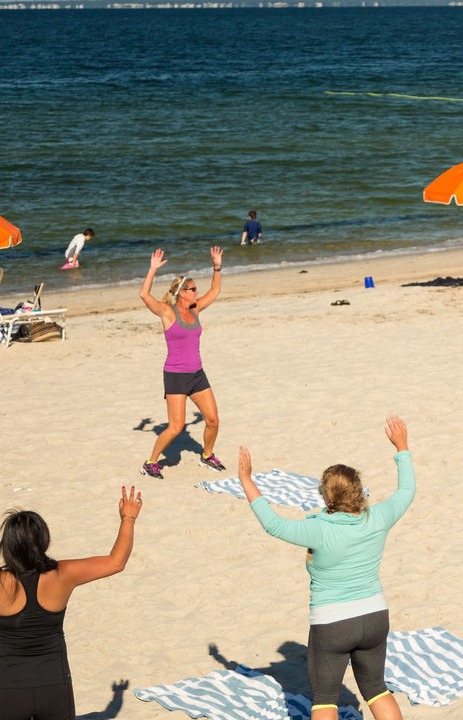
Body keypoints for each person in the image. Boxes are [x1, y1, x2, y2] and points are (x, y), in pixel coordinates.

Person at [238, 417, 413, 720]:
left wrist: (247, 481)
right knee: (375, 689)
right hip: (374, 616)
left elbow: (273, 524)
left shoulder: (318, 529)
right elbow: (406, 490)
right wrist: (401, 447)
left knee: (324, 700)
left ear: (327, 497)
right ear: (359, 492)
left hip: (332, 624)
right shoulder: (378, 517)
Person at [0, 487, 143, 718]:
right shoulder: (62, 574)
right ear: (43, 540)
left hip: (7, 691)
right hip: (54, 686)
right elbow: (116, 562)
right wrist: (128, 518)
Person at [138, 247, 225, 479]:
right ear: (182, 293)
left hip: (197, 374)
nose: (197, 292)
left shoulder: (196, 309)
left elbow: (215, 289)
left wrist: (216, 266)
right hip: (176, 376)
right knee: (176, 427)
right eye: (194, 289)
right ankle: (151, 462)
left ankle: (207, 456)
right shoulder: (168, 313)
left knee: (213, 420)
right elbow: (144, 296)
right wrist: (152, 269)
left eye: (196, 289)